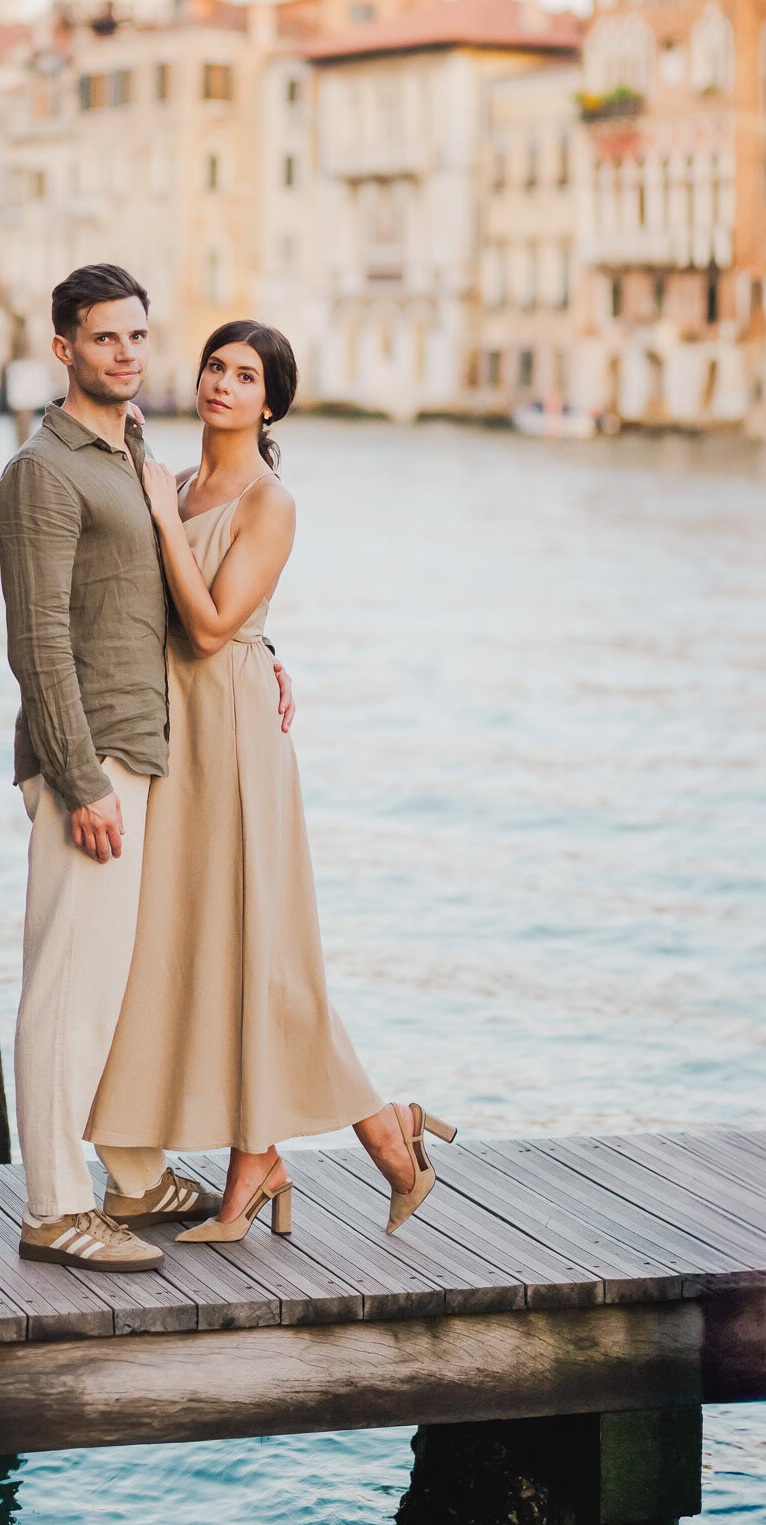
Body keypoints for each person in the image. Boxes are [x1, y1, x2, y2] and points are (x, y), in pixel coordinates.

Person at [88, 319, 455, 1242]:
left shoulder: (268, 499)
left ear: (270, 400)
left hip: (238, 735)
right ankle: (360, 1136)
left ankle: (284, 1154)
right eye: (215, 366)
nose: (221, 383)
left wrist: (171, 525)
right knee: (218, 943)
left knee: (267, 947)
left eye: (245, 375)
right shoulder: (171, 477)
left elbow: (212, 627)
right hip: (176, 728)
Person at [0, 265, 295, 1271]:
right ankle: (54, 1207)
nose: (124, 354)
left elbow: (167, 594)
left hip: (146, 746)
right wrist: (78, 782)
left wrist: (268, 656)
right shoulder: (44, 471)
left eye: (135, 337)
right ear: (63, 348)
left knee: (115, 982)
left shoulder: (130, 449)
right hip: (95, 758)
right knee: (66, 988)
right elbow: (35, 642)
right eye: (103, 339)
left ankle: (131, 1174)